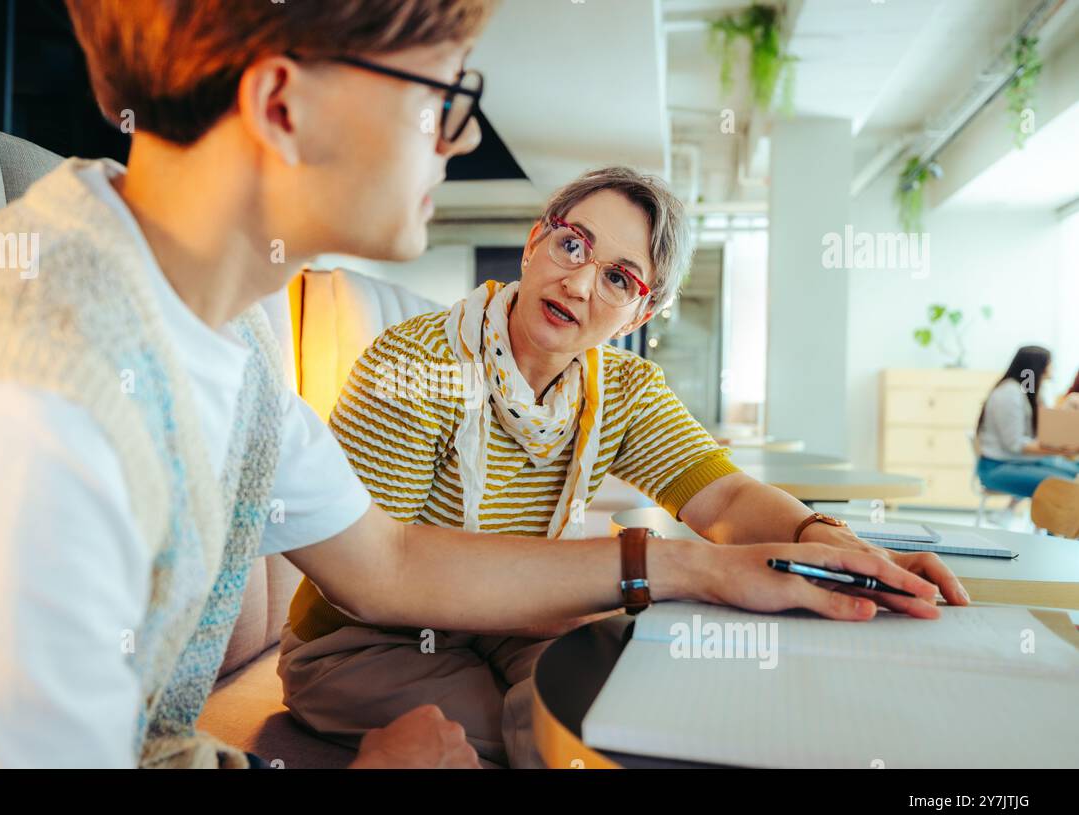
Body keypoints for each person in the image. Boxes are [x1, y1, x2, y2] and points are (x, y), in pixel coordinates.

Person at [0, 0, 965, 770]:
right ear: (284, 104)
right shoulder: (15, 429)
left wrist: (726, 559)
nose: (456, 141)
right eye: (444, 93)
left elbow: (389, 560)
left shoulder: (220, 336)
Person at [277, 167, 973, 767]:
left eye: (617, 276)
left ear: (643, 308)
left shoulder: (623, 387)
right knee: (570, 727)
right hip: (361, 644)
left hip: (510, 623)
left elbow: (725, 497)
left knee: (642, 700)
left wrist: (819, 536)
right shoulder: (419, 362)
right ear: (534, 240)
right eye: (571, 243)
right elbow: (377, 576)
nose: (578, 282)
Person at [975, 346, 1079, 500]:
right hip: (998, 468)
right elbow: (1015, 445)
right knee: (1069, 485)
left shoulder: (1026, 390)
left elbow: (1043, 425)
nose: (1053, 368)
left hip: (1020, 462)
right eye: (1050, 363)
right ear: (1038, 366)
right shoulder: (1009, 394)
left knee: (1075, 471)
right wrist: (1060, 451)